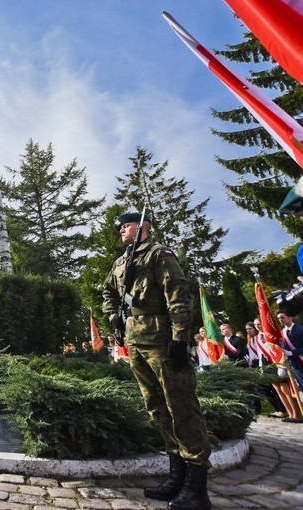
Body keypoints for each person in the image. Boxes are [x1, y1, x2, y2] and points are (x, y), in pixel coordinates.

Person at [102, 212, 211, 509]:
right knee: (157, 408)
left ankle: (197, 488)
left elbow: (178, 293)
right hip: (135, 340)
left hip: (162, 339)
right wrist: (115, 318)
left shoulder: (159, 253)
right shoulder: (121, 262)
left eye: (127, 225)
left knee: (181, 406)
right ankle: (177, 476)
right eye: (120, 227)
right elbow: (108, 291)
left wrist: (180, 337)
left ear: (144, 226)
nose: (122, 229)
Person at [275, 311, 303, 423]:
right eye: (279, 318)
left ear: (290, 317)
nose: (280, 320)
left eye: (282, 317)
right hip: (294, 366)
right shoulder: (282, 333)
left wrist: (292, 353)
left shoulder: (300, 329)